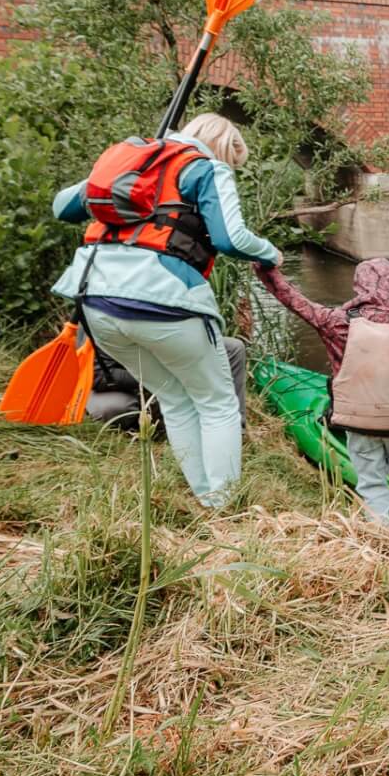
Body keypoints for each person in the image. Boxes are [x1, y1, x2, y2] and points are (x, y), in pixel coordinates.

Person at [50, 113, 281, 508]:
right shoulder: (207, 168)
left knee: (174, 397)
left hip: (98, 303)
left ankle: (206, 496)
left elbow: (63, 207)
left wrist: (127, 169)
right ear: (224, 149)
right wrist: (271, 253)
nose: (231, 170)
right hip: (163, 301)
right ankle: (225, 506)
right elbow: (230, 237)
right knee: (217, 402)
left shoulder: (126, 162)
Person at [256, 257, 389, 528]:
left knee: (371, 481)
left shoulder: (337, 322)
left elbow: (294, 301)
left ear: (360, 285)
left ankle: (380, 533)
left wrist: (267, 272)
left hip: (359, 422)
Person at [85, 335, 249, 433]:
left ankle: (234, 429)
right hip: (111, 387)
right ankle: (145, 424)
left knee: (233, 348)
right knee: (115, 409)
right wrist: (158, 378)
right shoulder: (102, 307)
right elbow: (99, 377)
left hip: (161, 365)